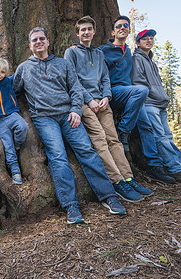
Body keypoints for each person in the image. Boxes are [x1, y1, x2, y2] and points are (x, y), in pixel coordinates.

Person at [13, 27, 126, 222]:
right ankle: (71, 206)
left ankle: (109, 197)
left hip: (68, 115)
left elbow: (75, 89)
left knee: (87, 151)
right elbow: (8, 88)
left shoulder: (63, 64)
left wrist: (75, 109)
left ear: (48, 42)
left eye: (42, 39)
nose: (38, 42)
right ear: (29, 45)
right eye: (34, 40)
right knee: (58, 157)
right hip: (44, 118)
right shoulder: (23, 69)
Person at [64, 16, 153, 202]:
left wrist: (106, 97)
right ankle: (117, 180)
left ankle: (128, 177)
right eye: (83, 30)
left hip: (103, 102)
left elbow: (105, 78)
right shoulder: (71, 53)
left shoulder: (98, 54)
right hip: (84, 103)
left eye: (89, 29)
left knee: (114, 140)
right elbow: (72, 80)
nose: (86, 32)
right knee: (100, 140)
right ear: (78, 33)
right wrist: (89, 100)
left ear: (94, 32)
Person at [99, 16, 175, 184]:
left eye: (126, 25)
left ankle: (154, 166)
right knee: (142, 90)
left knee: (146, 126)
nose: (123, 27)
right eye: (119, 26)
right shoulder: (104, 49)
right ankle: (123, 131)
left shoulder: (129, 52)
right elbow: (88, 51)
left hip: (133, 95)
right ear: (113, 31)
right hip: (114, 92)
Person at [131, 29, 181, 184]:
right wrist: (156, 95)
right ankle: (175, 170)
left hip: (160, 104)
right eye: (145, 39)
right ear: (137, 42)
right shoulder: (137, 58)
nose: (149, 41)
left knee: (168, 137)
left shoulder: (152, 62)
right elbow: (138, 83)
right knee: (161, 138)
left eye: (151, 38)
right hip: (150, 103)